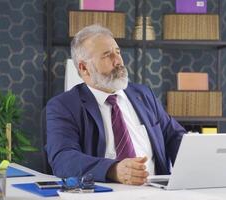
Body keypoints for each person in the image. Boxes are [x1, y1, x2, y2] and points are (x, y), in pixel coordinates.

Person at [46, 24, 185, 185]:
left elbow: (174, 136)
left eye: (118, 52)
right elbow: (63, 158)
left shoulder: (143, 94)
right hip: (106, 192)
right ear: (84, 68)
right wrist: (113, 170)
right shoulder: (63, 106)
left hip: (156, 190)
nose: (118, 61)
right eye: (107, 55)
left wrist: (199, 161)